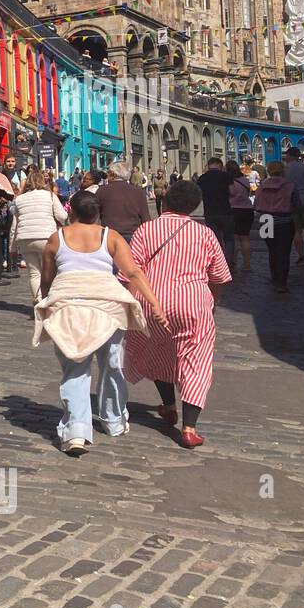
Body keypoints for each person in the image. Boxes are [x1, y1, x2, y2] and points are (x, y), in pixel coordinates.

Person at [35, 192, 167, 453]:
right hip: (108, 308)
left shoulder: (56, 238)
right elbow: (132, 272)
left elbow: (47, 278)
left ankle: (76, 431)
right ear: (98, 213)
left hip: (69, 308)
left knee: (75, 368)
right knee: (112, 365)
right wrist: (154, 302)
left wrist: (44, 300)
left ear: (71, 210)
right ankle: (113, 420)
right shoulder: (111, 237)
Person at [123, 179, 232, 447]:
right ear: (195, 206)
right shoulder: (204, 234)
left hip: (152, 301)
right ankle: (190, 428)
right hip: (193, 303)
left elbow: (129, 271)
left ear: (166, 200)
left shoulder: (147, 230)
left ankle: (169, 405)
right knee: (197, 360)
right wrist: (212, 302)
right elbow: (219, 276)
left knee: (159, 350)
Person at [10, 169, 68, 302]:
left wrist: (12, 248)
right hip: (46, 236)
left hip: (25, 238)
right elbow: (62, 216)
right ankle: (50, 299)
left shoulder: (19, 199)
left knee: (34, 273)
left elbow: (15, 225)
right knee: (50, 271)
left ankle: (38, 299)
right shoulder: (49, 196)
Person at [254, 161, 298, 292]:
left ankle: (274, 277)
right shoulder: (290, 185)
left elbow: (256, 203)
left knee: (272, 250)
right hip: (284, 220)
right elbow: (297, 203)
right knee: (284, 252)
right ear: (283, 170)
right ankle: (282, 282)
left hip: (265, 219)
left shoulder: (262, 186)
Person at [96, 161, 149, 243]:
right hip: (133, 235)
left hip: (108, 235)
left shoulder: (102, 191)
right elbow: (146, 219)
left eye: (108, 173)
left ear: (113, 174)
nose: (107, 176)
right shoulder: (138, 192)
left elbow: (95, 216)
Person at [196, 157, 234, 259]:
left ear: (209, 166)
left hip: (210, 212)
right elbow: (232, 192)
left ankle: (219, 262)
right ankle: (229, 263)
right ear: (220, 166)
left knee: (216, 240)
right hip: (225, 211)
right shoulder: (226, 176)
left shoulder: (202, 178)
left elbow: (197, 195)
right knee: (229, 238)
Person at [283, 147, 304, 266]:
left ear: (289, 156)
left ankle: (302, 257)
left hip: (292, 200)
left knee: (297, 230)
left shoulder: (285, 169)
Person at [227, 160, 254, 272]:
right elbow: (249, 193)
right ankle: (247, 264)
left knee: (234, 239)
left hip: (233, 210)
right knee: (245, 238)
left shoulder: (229, 182)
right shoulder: (245, 180)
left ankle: (233, 263)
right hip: (247, 210)